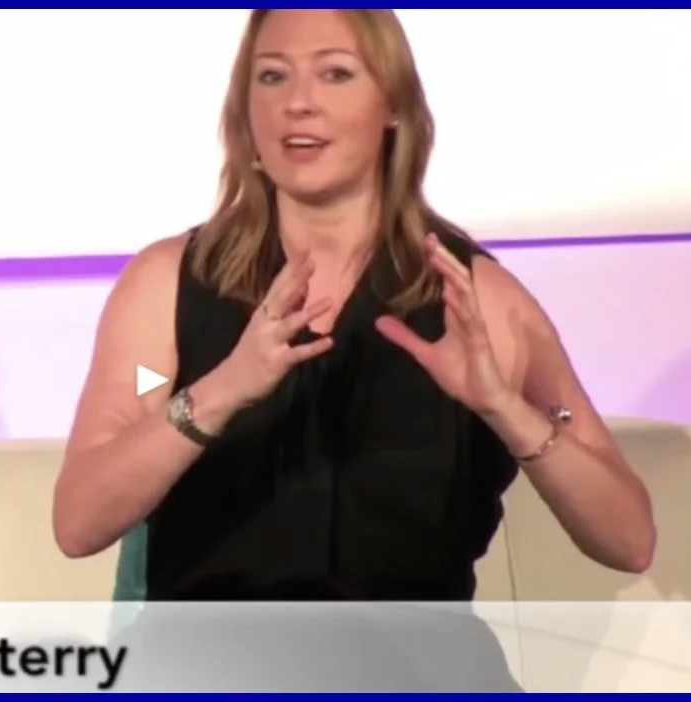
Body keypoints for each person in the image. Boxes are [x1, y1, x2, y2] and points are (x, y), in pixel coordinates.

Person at [54, 9, 656, 690]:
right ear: (246, 116)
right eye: (272, 77)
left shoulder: (480, 299)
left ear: (393, 106)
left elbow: (628, 540)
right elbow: (80, 521)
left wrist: (504, 407)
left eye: (335, 73)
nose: (299, 101)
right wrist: (223, 389)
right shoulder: (165, 285)